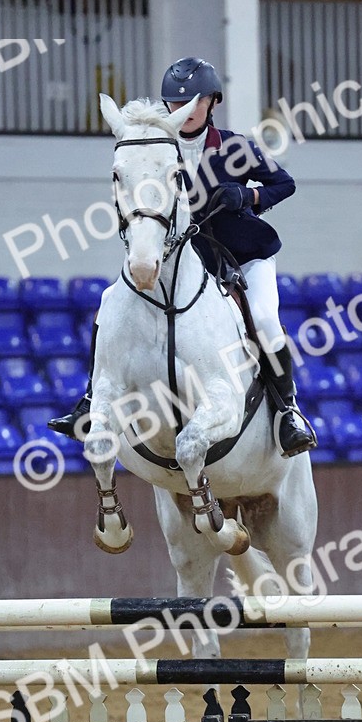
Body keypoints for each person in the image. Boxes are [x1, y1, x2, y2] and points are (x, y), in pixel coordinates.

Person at [48, 56, 316, 457]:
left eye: (196, 101)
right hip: (186, 261)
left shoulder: (234, 146)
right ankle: (91, 400)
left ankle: (287, 412)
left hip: (243, 257)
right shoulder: (158, 151)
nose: (185, 109)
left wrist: (247, 195)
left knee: (264, 319)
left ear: (212, 103)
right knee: (108, 301)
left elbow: (284, 183)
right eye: (176, 102)